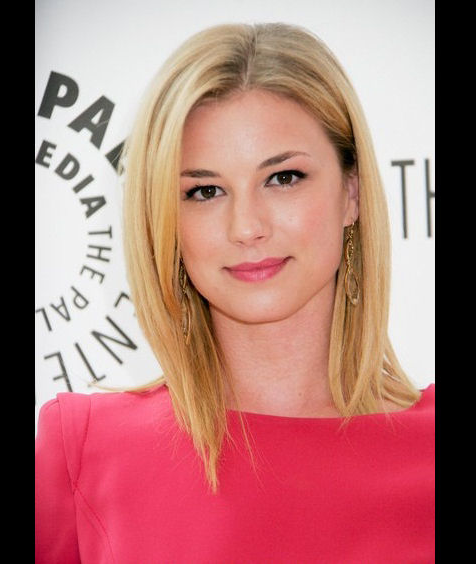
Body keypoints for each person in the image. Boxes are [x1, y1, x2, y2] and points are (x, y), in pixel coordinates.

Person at [35, 22, 434, 563]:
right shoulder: (82, 452)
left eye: (283, 178)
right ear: (165, 220)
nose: (247, 227)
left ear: (351, 193)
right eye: (205, 190)